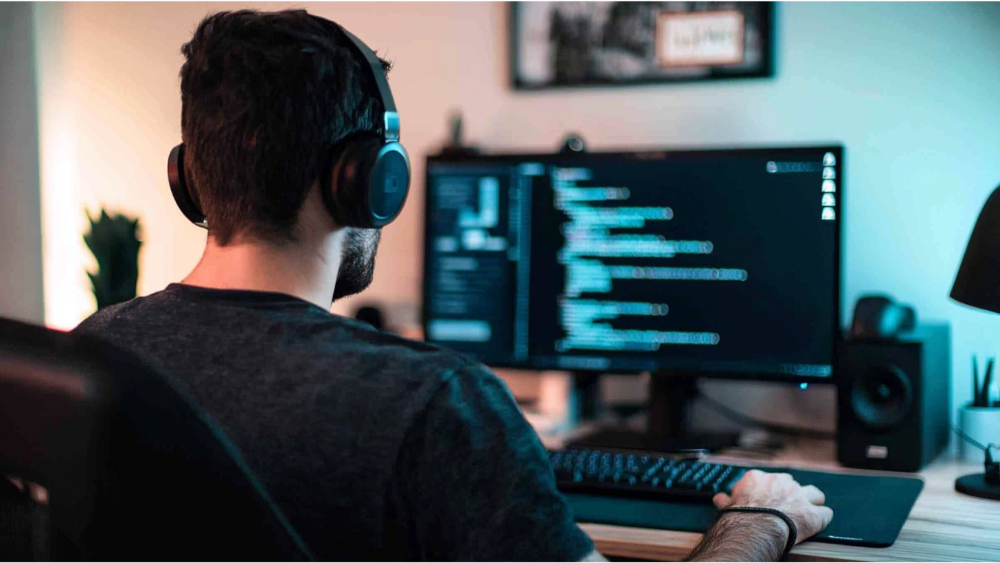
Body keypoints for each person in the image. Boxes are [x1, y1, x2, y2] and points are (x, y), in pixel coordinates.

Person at [74, 10, 832, 563]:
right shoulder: (432, 400)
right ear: (372, 181)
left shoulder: (93, 353)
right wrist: (760, 522)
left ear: (189, 174)